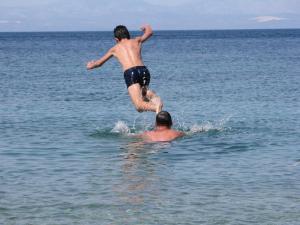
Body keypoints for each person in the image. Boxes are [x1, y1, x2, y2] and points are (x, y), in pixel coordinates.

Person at [86, 24, 163, 114]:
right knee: (144, 98)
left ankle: (157, 107)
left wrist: (90, 65)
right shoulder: (136, 40)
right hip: (144, 71)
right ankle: (153, 97)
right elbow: (149, 32)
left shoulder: (114, 48)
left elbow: (99, 63)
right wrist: (146, 27)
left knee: (139, 106)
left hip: (131, 73)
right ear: (128, 34)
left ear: (116, 39)